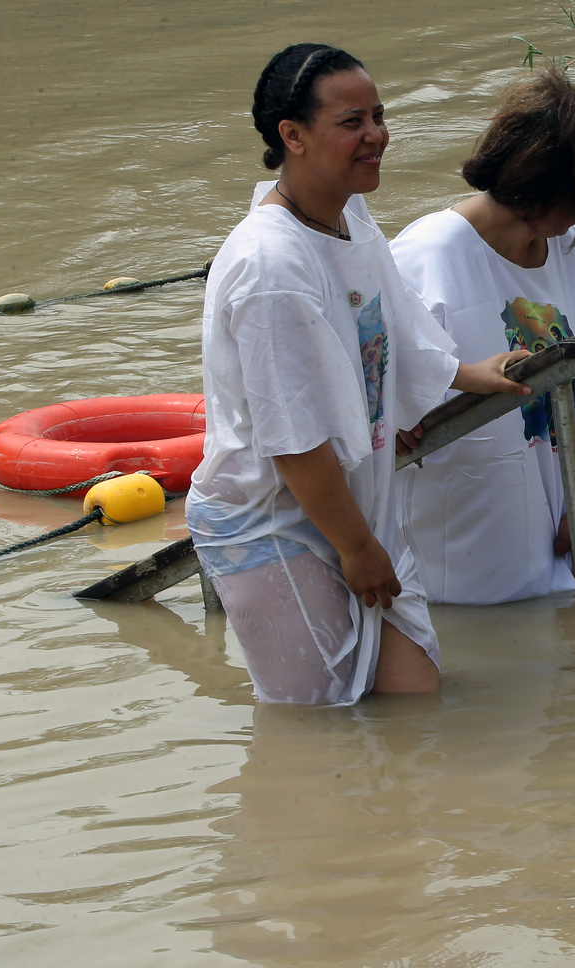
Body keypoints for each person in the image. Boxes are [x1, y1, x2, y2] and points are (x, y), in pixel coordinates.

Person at [186, 42, 532, 705]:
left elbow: (388, 330)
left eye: (378, 115)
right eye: (352, 122)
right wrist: (356, 546)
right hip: (275, 521)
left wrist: (464, 374)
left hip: (354, 504)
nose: (376, 135)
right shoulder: (271, 268)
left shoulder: (349, 216)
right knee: (317, 725)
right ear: (293, 136)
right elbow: (292, 437)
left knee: (412, 694)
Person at [389, 69, 575, 605]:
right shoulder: (427, 256)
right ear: (550, 188)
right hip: (459, 533)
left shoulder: (566, 247)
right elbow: (376, 392)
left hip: (551, 512)